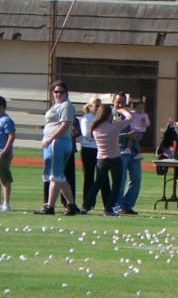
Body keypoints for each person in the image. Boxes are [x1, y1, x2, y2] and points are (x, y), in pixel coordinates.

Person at [36, 81, 79, 216]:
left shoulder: (66, 106)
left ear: (66, 93)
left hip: (58, 143)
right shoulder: (56, 105)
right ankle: (71, 205)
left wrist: (50, 138)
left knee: (55, 175)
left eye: (61, 92)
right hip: (52, 143)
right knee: (58, 175)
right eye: (56, 91)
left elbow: (65, 125)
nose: (58, 94)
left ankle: (50, 206)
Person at [81, 104, 133, 216]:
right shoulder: (114, 126)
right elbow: (130, 118)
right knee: (116, 185)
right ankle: (108, 209)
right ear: (108, 115)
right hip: (115, 158)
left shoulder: (94, 128)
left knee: (97, 184)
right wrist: (122, 110)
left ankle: (86, 206)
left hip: (101, 159)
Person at [111, 92, 143, 216]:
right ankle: (119, 205)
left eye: (122, 102)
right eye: (118, 102)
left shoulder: (130, 115)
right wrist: (126, 136)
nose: (120, 104)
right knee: (121, 180)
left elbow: (139, 128)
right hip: (119, 151)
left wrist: (138, 135)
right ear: (113, 102)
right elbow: (109, 135)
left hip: (134, 151)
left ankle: (127, 205)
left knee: (136, 178)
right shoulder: (110, 116)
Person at [79, 96, 101, 209]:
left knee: (101, 177)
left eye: (99, 105)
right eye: (96, 105)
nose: (98, 107)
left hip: (99, 149)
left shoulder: (102, 118)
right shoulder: (86, 118)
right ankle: (87, 202)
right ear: (90, 106)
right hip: (88, 149)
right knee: (89, 177)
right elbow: (86, 134)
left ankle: (95, 202)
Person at [0, 96, 15, 211]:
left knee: (4, 177)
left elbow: (11, 136)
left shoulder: (6, 120)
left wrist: (4, 150)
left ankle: (6, 203)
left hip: (3, 152)